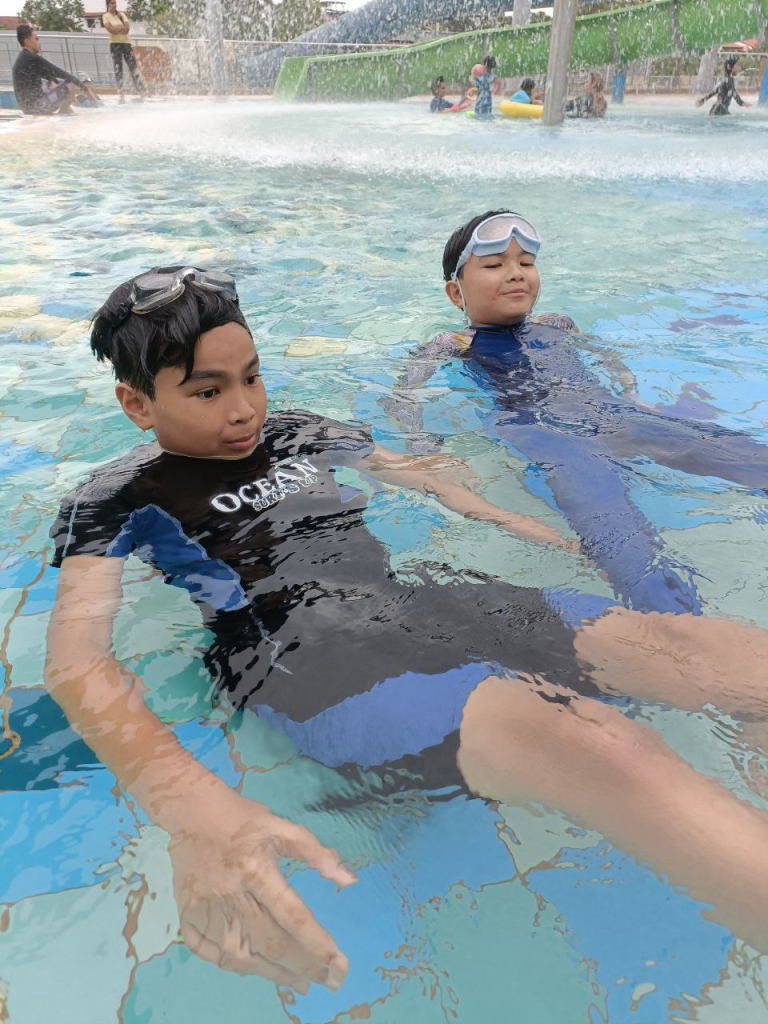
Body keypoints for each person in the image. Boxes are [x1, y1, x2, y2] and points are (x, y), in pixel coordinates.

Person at [45, 265, 768, 993]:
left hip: (420, 605)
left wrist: (523, 524)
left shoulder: (302, 431)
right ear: (137, 404)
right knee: (598, 745)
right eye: (208, 391)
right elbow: (78, 665)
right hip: (305, 659)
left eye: (252, 377)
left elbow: (418, 475)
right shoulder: (114, 500)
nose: (244, 409)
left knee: (707, 652)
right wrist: (188, 809)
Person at [380, 209, 768, 618]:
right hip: (548, 434)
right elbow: (403, 393)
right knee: (618, 537)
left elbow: (609, 358)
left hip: (615, 415)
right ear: (457, 294)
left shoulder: (559, 323)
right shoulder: (454, 341)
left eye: (526, 263)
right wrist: (423, 447)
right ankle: (678, 622)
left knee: (738, 453)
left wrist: (633, 398)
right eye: (495, 265)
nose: (516, 273)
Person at [12, 24, 98, 115]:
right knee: (70, 83)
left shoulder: (24, 57)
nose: (39, 42)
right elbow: (61, 73)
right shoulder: (32, 57)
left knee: (52, 83)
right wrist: (86, 90)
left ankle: (68, 108)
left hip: (27, 108)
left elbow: (50, 76)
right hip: (38, 107)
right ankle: (64, 111)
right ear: (27, 42)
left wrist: (59, 87)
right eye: (36, 39)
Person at [103, 0, 144, 103]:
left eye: (115, 3)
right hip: (115, 44)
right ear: (108, 4)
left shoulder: (122, 15)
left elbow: (127, 29)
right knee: (118, 67)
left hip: (126, 43)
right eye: (111, 3)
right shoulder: (105, 16)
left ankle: (139, 90)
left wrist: (116, 28)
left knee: (133, 66)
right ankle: (121, 91)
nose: (114, 5)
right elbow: (110, 30)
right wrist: (120, 27)